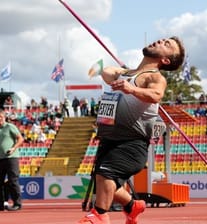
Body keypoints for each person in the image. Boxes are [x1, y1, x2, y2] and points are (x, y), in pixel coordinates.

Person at [77, 36, 185, 224]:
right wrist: (124, 74)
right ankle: (132, 206)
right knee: (103, 181)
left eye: (166, 44)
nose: (160, 41)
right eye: (163, 39)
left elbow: (156, 95)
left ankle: (99, 216)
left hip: (132, 142)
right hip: (109, 139)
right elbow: (107, 72)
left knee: (105, 174)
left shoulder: (155, 77)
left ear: (165, 61)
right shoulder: (126, 74)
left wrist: (131, 89)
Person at [0, 108, 24, 211]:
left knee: (12, 181)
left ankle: (17, 204)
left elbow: (20, 138)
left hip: (11, 158)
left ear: (5, 117)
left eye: (1, 117)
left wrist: (13, 148)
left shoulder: (10, 127)